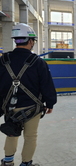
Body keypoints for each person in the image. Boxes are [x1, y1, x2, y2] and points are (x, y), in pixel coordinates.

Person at [0, 23, 57, 166]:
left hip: (9, 107)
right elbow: (46, 85)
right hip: (31, 108)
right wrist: (50, 103)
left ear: (16, 40)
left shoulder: (3, 60)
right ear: (30, 41)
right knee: (30, 136)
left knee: (12, 133)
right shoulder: (38, 62)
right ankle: (26, 163)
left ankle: (8, 161)